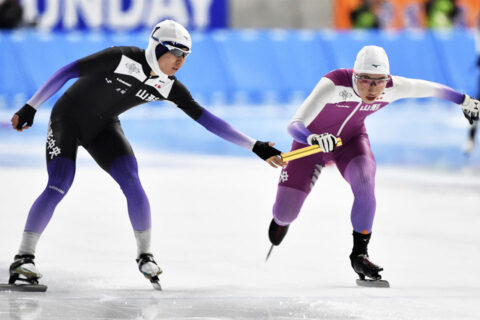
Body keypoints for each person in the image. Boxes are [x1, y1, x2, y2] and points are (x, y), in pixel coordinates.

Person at [8, 19, 283, 289]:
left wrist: (255, 146)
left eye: (185, 56)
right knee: (59, 183)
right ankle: (23, 257)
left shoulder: (169, 86)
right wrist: (31, 107)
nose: (180, 61)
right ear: (157, 48)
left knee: (133, 182)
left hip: (104, 127)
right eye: (175, 53)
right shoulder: (120, 57)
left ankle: (145, 256)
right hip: (67, 120)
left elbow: (207, 119)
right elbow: (67, 71)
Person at [267, 45, 479, 282]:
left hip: (351, 141)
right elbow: (294, 125)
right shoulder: (334, 84)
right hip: (310, 145)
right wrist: (312, 138)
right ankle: (280, 220)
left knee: (365, 179)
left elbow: (431, 89)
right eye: (366, 80)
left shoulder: (392, 87)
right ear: (355, 75)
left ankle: (359, 254)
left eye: (379, 82)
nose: (373, 88)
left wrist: (464, 100)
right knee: (286, 214)